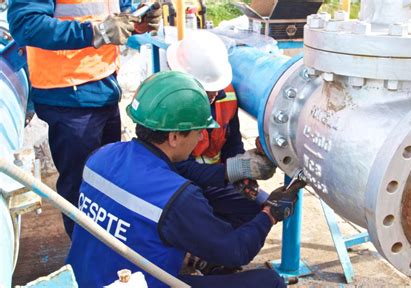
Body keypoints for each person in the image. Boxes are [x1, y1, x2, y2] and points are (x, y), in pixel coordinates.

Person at [66, 71, 295, 288]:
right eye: (198, 132)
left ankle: (195, 259)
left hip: (83, 279)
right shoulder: (176, 197)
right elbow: (236, 250)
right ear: (174, 137)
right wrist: (270, 214)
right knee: (269, 282)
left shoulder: (101, 156)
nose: (199, 139)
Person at [7, 0, 161, 237]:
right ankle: (86, 257)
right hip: (68, 94)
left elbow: (113, 13)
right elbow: (26, 25)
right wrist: (95, 33)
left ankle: (110, 249)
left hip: (104, 85)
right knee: (81, 187)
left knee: (110, 181)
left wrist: (136, 22)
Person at [167, 31, 273, 233]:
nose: (214, 95)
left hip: (215, 178)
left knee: (260, 207)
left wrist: (242, 176)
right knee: (191, 213)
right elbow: (179, 166)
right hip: (180, 183)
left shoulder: (226, 95)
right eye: (207, 89)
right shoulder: (169, 105)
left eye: (216, 87)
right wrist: (234, 170)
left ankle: (212, 259)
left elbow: (232, 142)